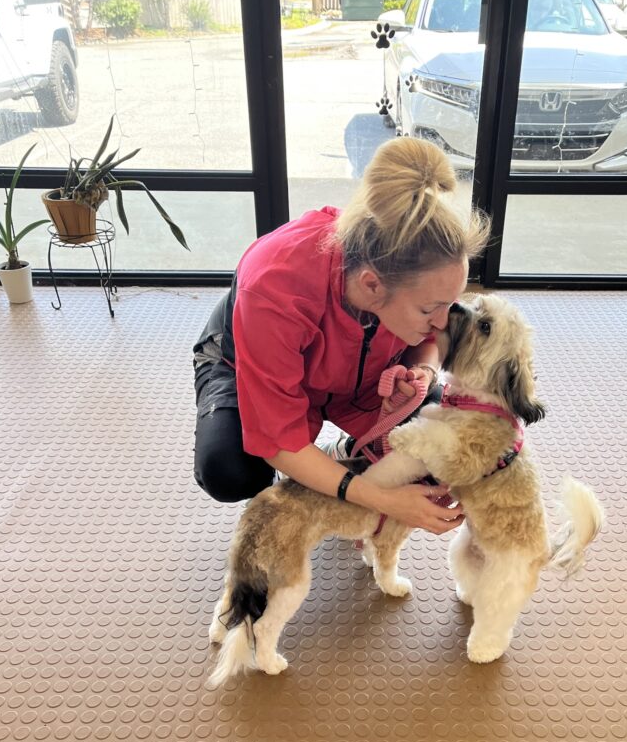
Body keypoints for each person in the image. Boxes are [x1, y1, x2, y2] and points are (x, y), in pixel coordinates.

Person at [192, 138, 489, 535]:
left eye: (449, 305)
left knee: (446, 434)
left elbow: (430, 340)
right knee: (230, 469)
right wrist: (382, 499)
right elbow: (277, 438)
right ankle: (320, 472)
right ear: (371, 285)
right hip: (243, 363)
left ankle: (344, 454)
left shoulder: (407, 273)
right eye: (428, 310)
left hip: (361, 373)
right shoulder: (273, 288)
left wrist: (424, 371)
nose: (442, 323)